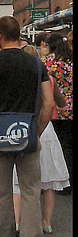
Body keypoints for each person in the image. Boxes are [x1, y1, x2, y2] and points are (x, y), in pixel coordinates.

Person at [0, 16, 54, 237]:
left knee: (1, 192)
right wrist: (38, 130)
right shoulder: (35, 63)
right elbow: (48, 103)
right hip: (27, 132)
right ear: (19, 34)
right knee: (31, 192)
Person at [13, 74, 69, 235]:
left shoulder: (19, 79)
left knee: (18, 180)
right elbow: (61, 105)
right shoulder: (49, 79)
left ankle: (18, 221)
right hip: (45, 128)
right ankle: (46, 222)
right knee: (49, 180)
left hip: (23, 125)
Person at [42, 32, 73, 191]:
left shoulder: (46, 63)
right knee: (69, 145)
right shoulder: (71, 62)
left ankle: (62, 180)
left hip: (53, 110)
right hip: (70, 109)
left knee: (58, 146)